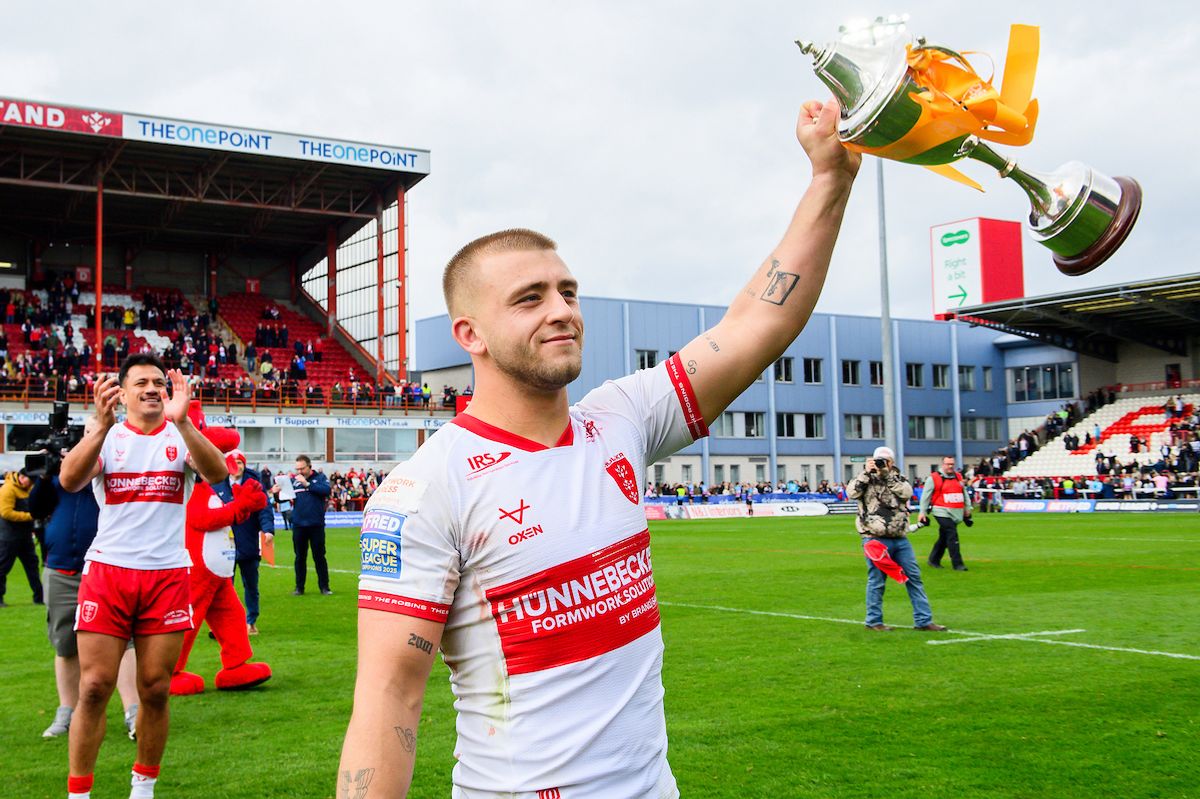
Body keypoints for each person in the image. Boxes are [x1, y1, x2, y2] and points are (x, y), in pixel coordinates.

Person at [338, 97, 861, 797]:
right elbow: (389, 700)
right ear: (470, 334)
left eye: (568, 291)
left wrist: (830, 179)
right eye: (529, 298)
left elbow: (754, 326)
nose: (561, 309)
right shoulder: (426, 489)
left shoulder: (618, 418)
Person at [58, 353, 229, 799]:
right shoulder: (108, 437)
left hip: (167, 576)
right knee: (94, 686)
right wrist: (98, 425)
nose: (152, 388)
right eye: (141, 383)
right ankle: (79, 793)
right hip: (108, 573)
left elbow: (219, 473)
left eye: (159, 382)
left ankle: (143, 787)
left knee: (154, 688)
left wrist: (187, 423)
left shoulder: (181, 437)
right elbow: (70, 480)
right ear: (124, 391)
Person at [30, 422, 141, 740]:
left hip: (109, 566)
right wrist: (47, 472)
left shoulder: (115, 467)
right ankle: (67, 710)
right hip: (63, 567)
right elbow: (36, 508)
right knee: (65, 644)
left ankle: (132, 710)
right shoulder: (65, 472)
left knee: (124, 641)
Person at [847, 447, 947, 632]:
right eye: (878, 460)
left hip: (899, 537)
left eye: (885, 460)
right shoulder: (865, 478)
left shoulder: (898, 478)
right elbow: (851, 493)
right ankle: (874, 621)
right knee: (877, 580)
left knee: (914, 577)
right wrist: (865, 473)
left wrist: (886, 475)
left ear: (892, 462)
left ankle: (924, 620)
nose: (880, 463)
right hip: (874, 537)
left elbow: (906, 493)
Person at [229, 452, 274, 634]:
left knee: (251, 585)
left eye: (240, 462)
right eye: (234, 462)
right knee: (225, 588)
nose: (237, 466)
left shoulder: (254, 485)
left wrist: (268, 529)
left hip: (248, 542)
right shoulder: (219, 484)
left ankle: (251, 621)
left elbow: (264, 508)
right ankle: (227, 624)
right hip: (225, 544)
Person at [918, 456, 972, 571]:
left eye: (952, 464)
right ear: (943, 464)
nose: (950, 466)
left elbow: (964, 493)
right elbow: (925, 496)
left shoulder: (958, 477)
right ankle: (958, 563)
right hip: (941, 510)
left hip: (956, 512)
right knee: (952, 533)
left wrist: (967, 508)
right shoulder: (934, 478)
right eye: (948, 464)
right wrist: (922, 512)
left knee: (944, 537)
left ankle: (934, 559)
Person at [0, 466, 43, 607]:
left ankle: (39, 597)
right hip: (9, 537)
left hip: (25, 536)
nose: (30, 485)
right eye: (29, 481)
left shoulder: (28, 488)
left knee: (33, 567)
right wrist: (30, 516)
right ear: (22, 477)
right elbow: (6, 513)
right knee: (3, 568)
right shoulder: (8, 489)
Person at [290, 455, 331, 596]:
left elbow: (326, 491)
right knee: (299, 557)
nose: (299, 472)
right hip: (299, 525)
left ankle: (324, 587)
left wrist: (308, 484)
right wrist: (277, 494)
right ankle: (299, 587)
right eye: (297, 469)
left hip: (316, 524)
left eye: (302, 468)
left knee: (319, 557)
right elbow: (285, 498)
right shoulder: (294, 482)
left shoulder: (320, 478)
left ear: (309, 466)